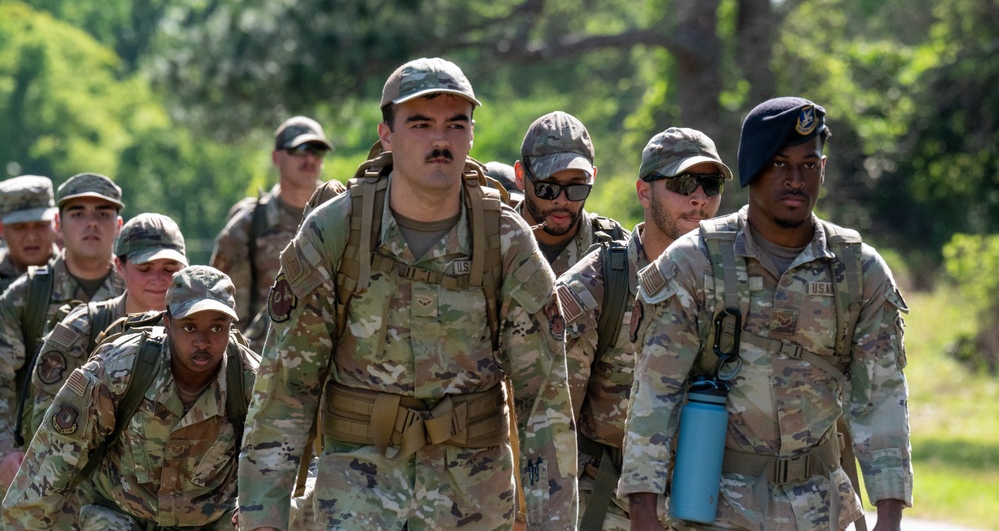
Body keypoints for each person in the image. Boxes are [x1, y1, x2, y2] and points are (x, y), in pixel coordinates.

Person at [237, 57, 577, 531]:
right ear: (387, 134)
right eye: (421, 124)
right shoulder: (336, 231)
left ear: (471, 136)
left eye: (455, 125)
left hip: (473, 500)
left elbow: (544, 403)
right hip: (358, 496)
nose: (441, 140)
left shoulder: (505, 241)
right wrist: (263, 521)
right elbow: (284, 393)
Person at [619, 98, 912, 531]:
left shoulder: (858, 270)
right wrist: (643, 511)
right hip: (715, 507)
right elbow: (654, 397)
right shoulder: (696, 264)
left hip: (821, 510)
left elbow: (881, 399)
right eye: (779, 164)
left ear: (823, 168)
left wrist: (889, 516)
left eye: (808, 165)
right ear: (754, 167)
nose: (795, 180)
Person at [553, 128, 731, 530]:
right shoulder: (597, 285)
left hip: (710, 502)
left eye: (710, 184)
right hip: (610, 505)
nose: (699, 198)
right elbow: (553, 421)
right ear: (644, 192)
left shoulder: (735, 285)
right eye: (683, 183)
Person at [1, 265, 259, 531]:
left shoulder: (251, 380)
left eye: (217, 328)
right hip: (121, 516)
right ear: (168, 324)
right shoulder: (118, 369)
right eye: (190, 327)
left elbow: (286, 458)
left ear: (231, 327)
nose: (203, 341)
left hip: (210, 521)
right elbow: (52, 457)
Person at [0, 172, 125, 491]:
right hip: (39, 472)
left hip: (121, 476)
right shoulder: (25, 296)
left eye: (103, 213)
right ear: (58, 223)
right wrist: (5, 450)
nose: (91, 223)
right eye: (78, 213)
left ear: (119, 225)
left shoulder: (139, 289)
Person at [29, 212, 189, 437]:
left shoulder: (203, 332)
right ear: (119, 266)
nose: (159, 278)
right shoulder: (82, 329)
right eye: (145, 268)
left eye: (170, 268)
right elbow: (45, 428)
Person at [211, 115, 345, 351]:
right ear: (276, 157)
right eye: (300, 149)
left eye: (317, 150)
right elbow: (222, 308)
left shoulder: (343, 215)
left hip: (333, 359)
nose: (310, 158)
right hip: (267, 361)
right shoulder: (250, 225)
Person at [514, 111, 625, 276]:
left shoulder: (620, 251)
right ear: (521, 176)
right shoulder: (490, 246)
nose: (562, 200)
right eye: (548, 188)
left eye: (576, 187)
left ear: (592, 178)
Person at [0, 176, 60, 294]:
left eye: (41, 225)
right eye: (19, 227)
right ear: (1, 229)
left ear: (56, 222)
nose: (31, 237)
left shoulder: (81, 272)